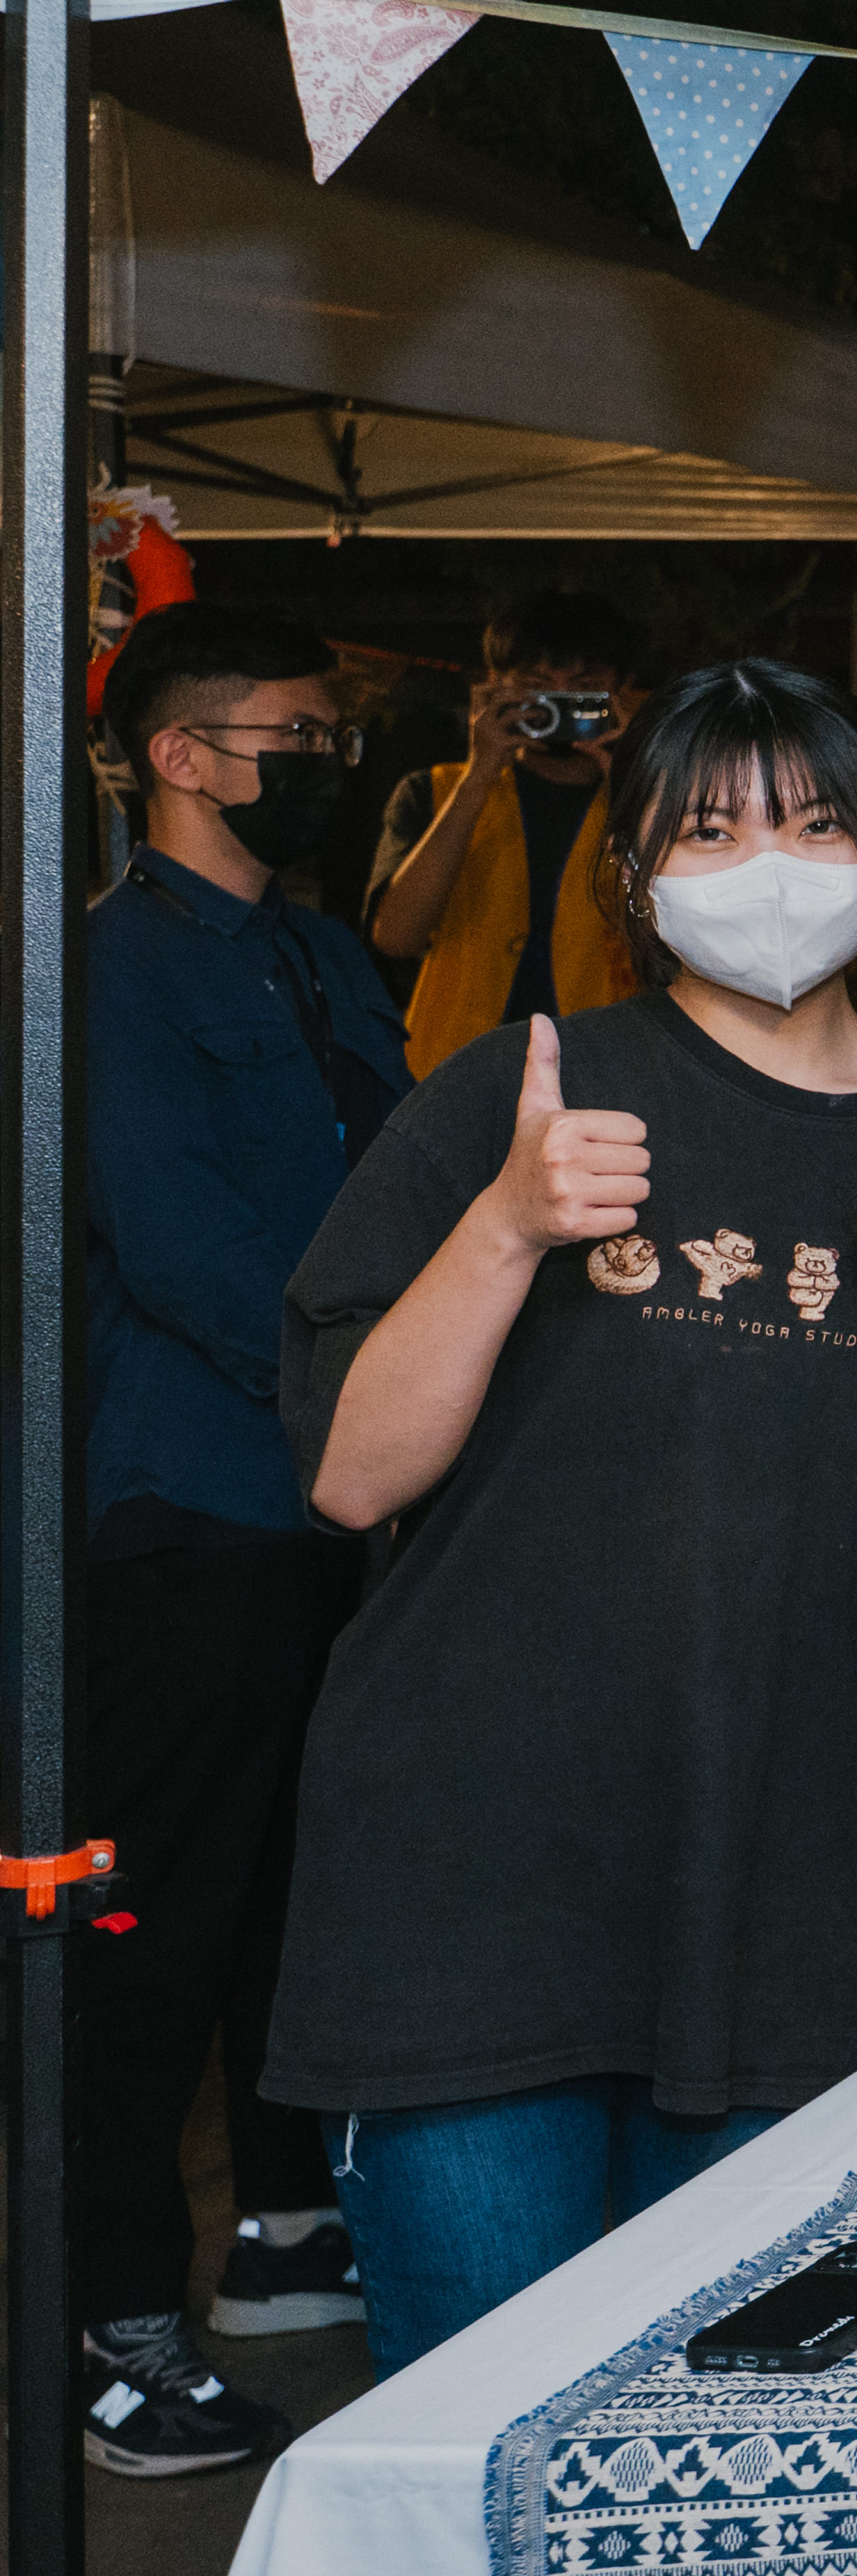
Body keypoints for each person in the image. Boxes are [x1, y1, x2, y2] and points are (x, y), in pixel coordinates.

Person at [266, 656, 857, 2376]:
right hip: (472, 1904)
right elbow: (351, 1471)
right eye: (709, 829)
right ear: (634, 872)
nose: (769, 865)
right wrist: (508, 1222)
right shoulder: (524, 1087)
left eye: (814, 821)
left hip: (803, 1894)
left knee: (736, 2453)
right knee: (484, 2427)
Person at [71, 605, 406, 2476]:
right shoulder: (111, 967)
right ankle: (111, 2320)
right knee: (154, 1917)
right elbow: (186, 1243)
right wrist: (372, 1388)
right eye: (294, 737)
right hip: (198, 1501)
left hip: (341, 1499)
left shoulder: (321, 953)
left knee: (301, 1883)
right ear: (182, 757)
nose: (324, 765)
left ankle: (285, 2229)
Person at [366, 590, 651, 1077]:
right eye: (536, 686)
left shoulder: (654, 804)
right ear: (494, 685)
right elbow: (395, 938)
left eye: (582, 688)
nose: (556, 705)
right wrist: (480, 771)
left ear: (624, 691)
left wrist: (631, 782)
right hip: (454, 1073)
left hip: (607, 1071)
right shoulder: (433, 791)